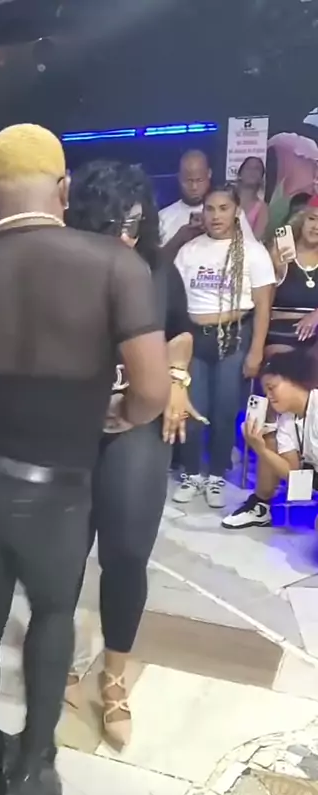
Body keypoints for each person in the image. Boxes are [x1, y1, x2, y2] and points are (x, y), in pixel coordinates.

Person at [0, 124, 169, 795]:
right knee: (54, 615)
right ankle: (37, 760)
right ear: (63, 189)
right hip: (58, 486)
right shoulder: (115, 266)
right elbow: (152, 390)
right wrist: (120, 415)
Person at [66, 160, 199, 746]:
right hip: (70, 429)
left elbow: (182, 331)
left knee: (125, 553)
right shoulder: (64, 273)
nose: (124, 236)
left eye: (134, 223)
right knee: (63, 553)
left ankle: (114, 676)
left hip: (137, 423)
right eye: (111, 224)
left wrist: (177, 378)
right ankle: (58, 655)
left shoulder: (156, 268)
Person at [173, 184, 275, 508]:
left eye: (223, 208)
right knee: (192, 408)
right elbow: (175, 300)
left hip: (234, 336)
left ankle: (216, 474)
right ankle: (192, 473)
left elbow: (263, 306)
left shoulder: (254, 252)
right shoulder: (189, 251)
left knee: (225, 409)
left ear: (237, 212)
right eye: (210, 209)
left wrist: (256, 350)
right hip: (194, 337)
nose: (216, 215)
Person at [222, 350, 317, 529]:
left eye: (272, 388)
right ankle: (260, 506)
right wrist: (261, 449)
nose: (269, 396)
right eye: (266, 391)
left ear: (294, 380)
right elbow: (292, 474)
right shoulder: (287, 420)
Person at [160, 150, 256, 259]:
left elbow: (251, 250)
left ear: (209, 174)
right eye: (189, 181)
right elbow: (154, 264)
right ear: (179, 177)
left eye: (199, 180)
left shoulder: (231, 213)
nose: (194, 187)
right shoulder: (163, 217)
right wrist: (178, 239)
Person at [266, 196, 318, 354]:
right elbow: (262, 301)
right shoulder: (282, 252)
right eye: (312, 219)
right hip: (281, 335)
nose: (316, 227)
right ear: (302, 219)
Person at [237, 157, 269, 240]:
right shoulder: (227, 199)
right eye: (248, 168)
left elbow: (257, 238)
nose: (252, 172)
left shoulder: (262, 208)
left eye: (257, 169)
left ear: (261, 177)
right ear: (240, 174)